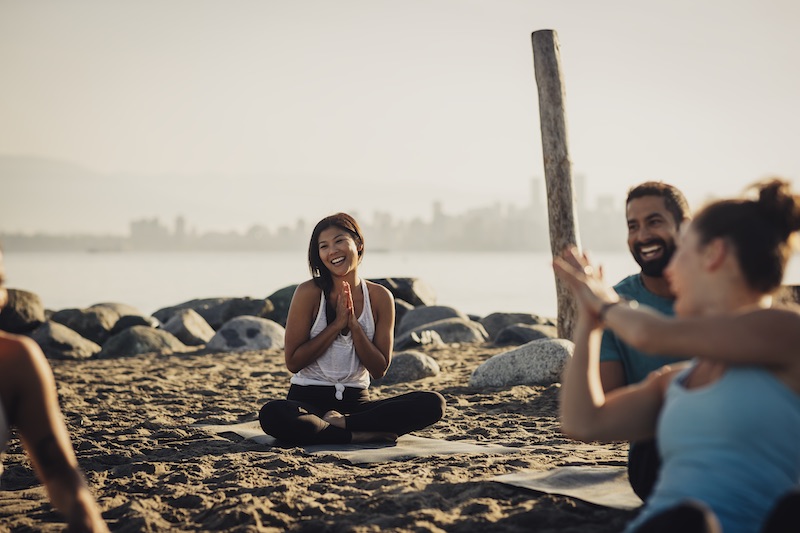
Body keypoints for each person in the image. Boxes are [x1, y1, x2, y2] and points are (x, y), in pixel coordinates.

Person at [553, 177, 800, 533]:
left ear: (713, 254)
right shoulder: (678, 380)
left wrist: (604, 302)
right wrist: (588, 324)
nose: (669, 270)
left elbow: (650, 334)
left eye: (682, 252)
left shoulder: (787, 333)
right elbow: (582, 422)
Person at [259, 213, 446, 445]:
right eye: (324, 246)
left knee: (433, 403)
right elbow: (294, 362)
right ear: (318, 255)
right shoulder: (309, 293)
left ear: (358, 244)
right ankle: (355, 434)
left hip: (356, 406)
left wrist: (355, 328)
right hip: (307, 401)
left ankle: (340, 426)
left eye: (339, 241)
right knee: (273, 414)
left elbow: (378, 369)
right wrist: (336, 325)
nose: (332, 251)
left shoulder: (379, 297)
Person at [0, 250, 108, 532]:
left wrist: (86, 519)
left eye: (1, 282)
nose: (4, 298)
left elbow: (63, 476)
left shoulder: (15, 361)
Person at [601, 181, 691, 501]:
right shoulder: (614, 304)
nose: (642, 237)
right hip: (658, 455)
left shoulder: (717, 292)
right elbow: (607, 410)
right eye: (632, 226)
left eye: (654, 222)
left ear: (685, 227)